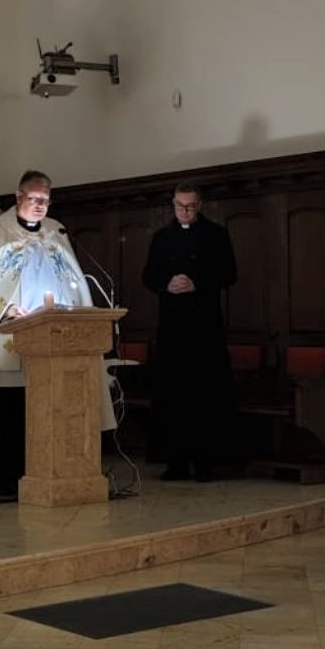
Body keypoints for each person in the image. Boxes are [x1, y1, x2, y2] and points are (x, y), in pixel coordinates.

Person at [0, 171, 115, 497]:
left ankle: (49, 468)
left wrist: (69, 309)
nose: (39, 205)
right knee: (10, 407)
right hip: (10, 335)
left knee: (49, 403)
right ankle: (4, 474)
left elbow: (72, 280)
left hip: (53, 334)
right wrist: (4, 309)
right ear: (19, 197)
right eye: (33, 199)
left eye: (45, 200)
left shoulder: (55, 233)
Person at [140, 183, 237, 482]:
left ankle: (207, 462)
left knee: (205, 393)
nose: (185, 211)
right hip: (173, 326)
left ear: (200, 205)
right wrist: (166, 284)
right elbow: (148, 275)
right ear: (173, 204)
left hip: (205, 325)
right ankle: (176, 461)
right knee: (174, 393)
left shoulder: (216, 235)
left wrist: (198, 282)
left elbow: (229, 273)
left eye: (190, 206)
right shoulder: (162, 237)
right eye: (180, 206)